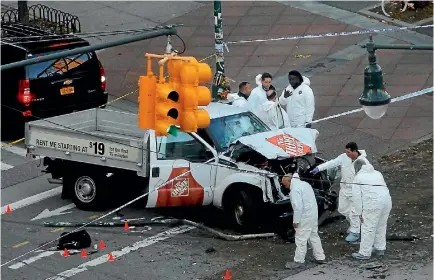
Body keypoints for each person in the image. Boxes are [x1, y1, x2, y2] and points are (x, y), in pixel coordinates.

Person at [311, 142, 368, 243]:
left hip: (356, 190)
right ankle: (356, 225)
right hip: (345, 189)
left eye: (348, 152)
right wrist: (319, 168)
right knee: (342, 209)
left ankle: (355, 231)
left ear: (355, 151)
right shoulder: (344, 157)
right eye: (346, 152)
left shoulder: (363, 162)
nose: (347, 154)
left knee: (354, 212)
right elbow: (333, 163)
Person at [281, 172, 326, 269]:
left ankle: (298, 261)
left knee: (300, 239)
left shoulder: (295, 190)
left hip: (304, 217)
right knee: (313, 236)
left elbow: (298, 207)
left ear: (289, 181)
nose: (286, 187)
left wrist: (295, 221)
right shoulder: (305, 184)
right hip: (313, 214)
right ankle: (320, 257)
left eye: (285, 184)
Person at [351, 158, 392, 260]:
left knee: (368, 228)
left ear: (357, 168)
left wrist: (359, 213)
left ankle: (365, 253)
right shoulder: (377, 173)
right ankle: (380, 248)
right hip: (386, 202)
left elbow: (356, 198)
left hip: (372, 204)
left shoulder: (358, 178)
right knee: (381, 225)